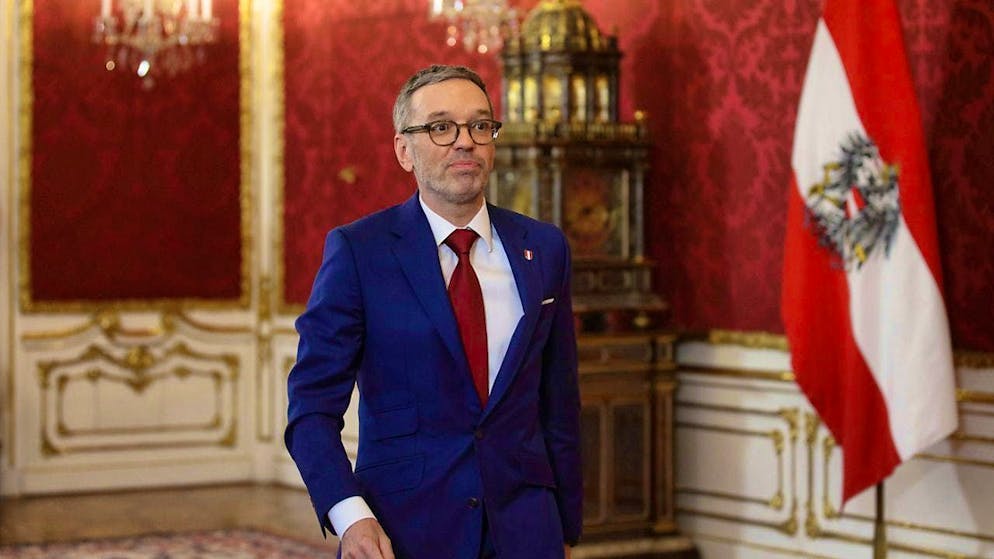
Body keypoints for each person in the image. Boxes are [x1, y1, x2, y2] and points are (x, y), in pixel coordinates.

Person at [285, 64, 582, 559]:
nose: (464, 142)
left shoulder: (545, 249)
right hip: (400, 533)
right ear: (405, 150)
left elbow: (560, 404)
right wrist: (350, 516)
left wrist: (566, 529)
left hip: (527, 530)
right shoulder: (359, 252)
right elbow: (311, 408)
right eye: (441, 128)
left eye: (480, 126)